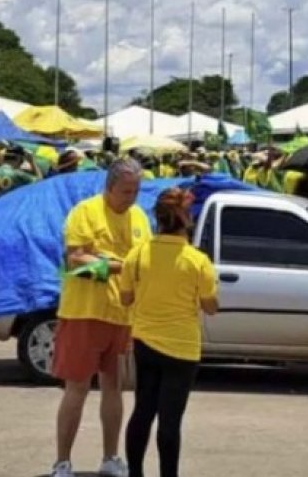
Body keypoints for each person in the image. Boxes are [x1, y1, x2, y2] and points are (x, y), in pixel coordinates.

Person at [50, 158, 151, 477]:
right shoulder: (85, 212)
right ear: (109, 187)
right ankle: (63, 462)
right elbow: (75, 262)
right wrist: (117, 266)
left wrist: (111, 262)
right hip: (84, 313)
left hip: (121, 316)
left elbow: (144, 262)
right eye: (125, 191)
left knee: (115, 387)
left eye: (135, 190)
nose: (131, 197)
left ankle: (110, 458)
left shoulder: (139, 217)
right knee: (76, 388)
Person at [121, 188, 219, 477]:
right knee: (170, 420)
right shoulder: (197, 260)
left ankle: (135, 472)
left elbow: (126, 298)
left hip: (145, 342)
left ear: (158, 219)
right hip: (182, 348)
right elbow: (210, 306)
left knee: (142, 411)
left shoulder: (137, 255)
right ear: (186, 219)